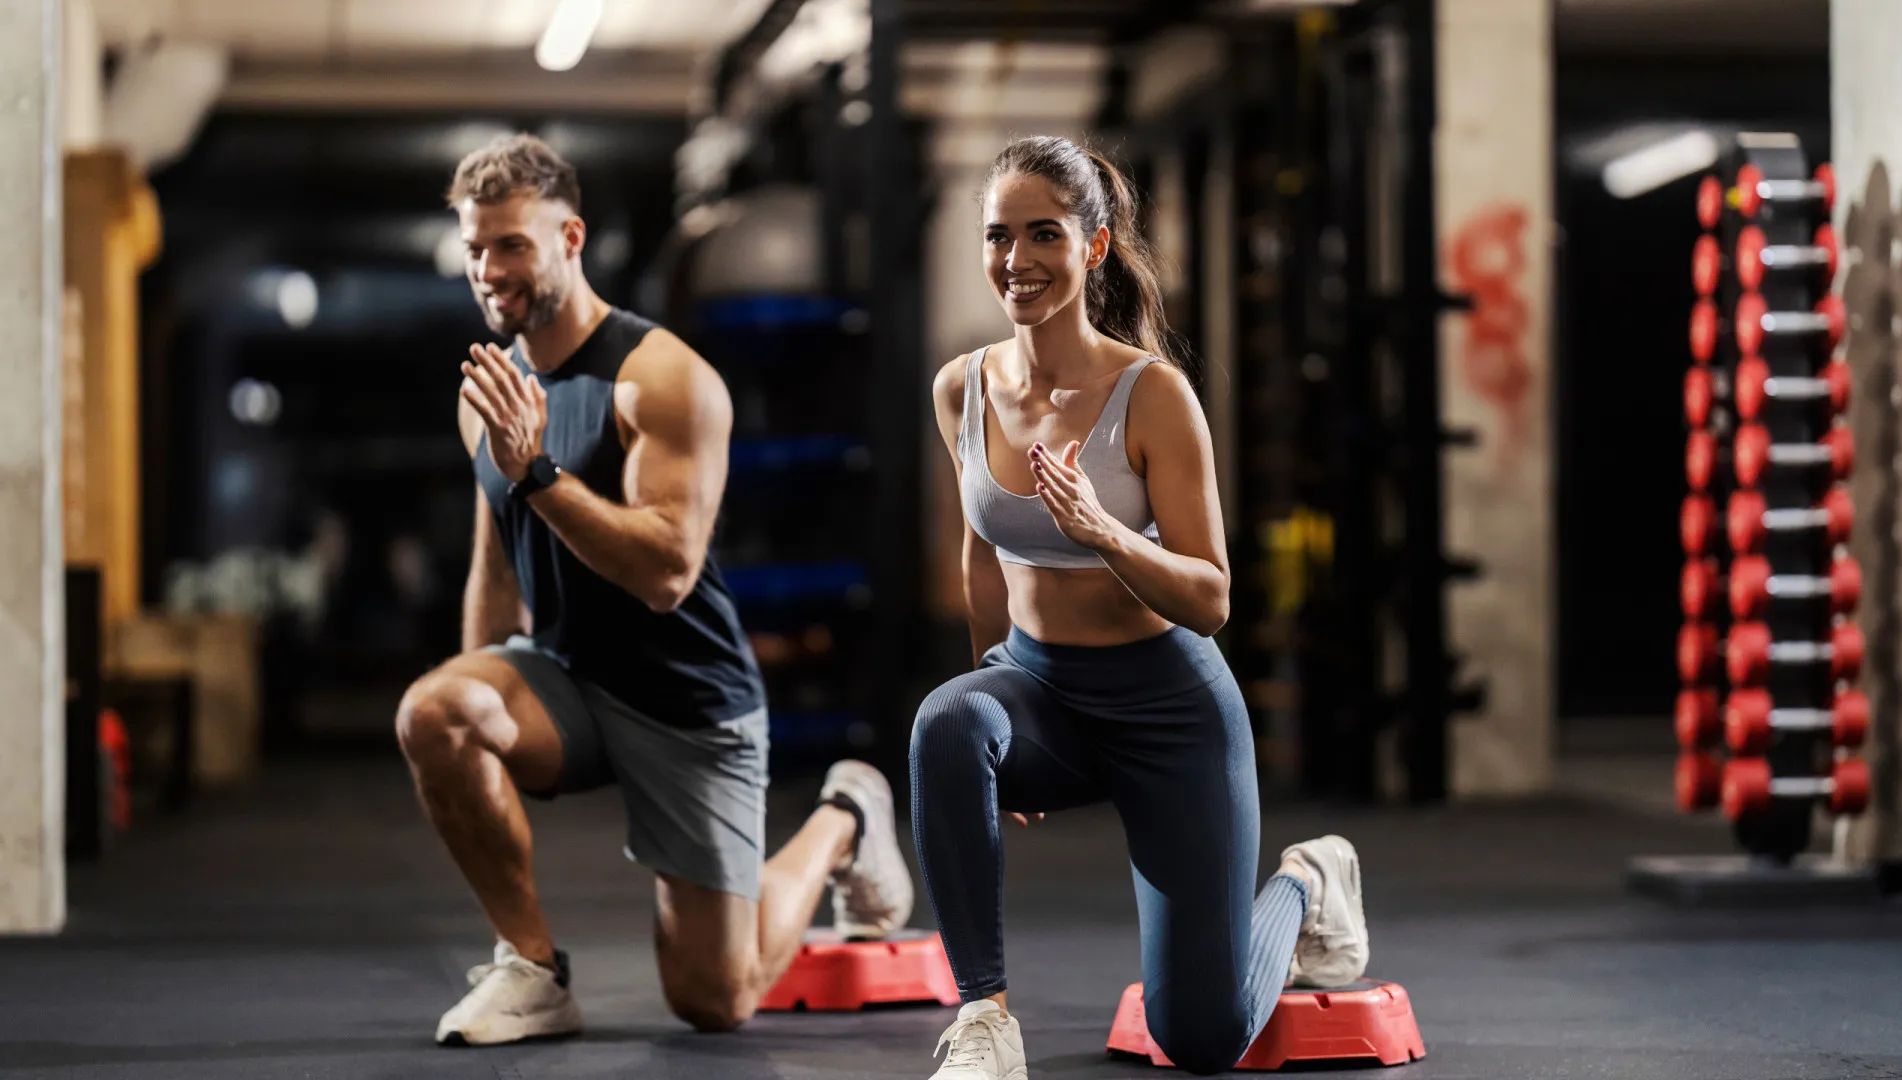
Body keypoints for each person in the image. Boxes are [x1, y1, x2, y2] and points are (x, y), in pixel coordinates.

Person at [394, 133, 914, 1046]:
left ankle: (845, 812)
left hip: (685, 699)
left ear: (570, 238)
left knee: (716, 1000)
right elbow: (498, 557)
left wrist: (541, 472)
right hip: (566, 679)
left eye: (511, 244)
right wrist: (479, 711)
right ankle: (533, 970)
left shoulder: (662, 378)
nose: (488, 270)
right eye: (475, 248)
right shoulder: (493, 392)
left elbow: (667, 573)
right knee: (435, 711)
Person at [910, 135, 1371, 1079]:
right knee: (947, 723)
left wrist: (1108, 536)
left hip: (1168, 708)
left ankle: (1305, 881)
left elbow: (1212, 598)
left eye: (1044, 234)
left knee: (1201, 1039)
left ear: (1094, 246)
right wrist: (993, 729)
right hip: (1040, 690)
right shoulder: (961, 388)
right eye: (1000, 236)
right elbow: (980, 559)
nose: (1017, 260)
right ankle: (985, 1020)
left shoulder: (1152, 397)